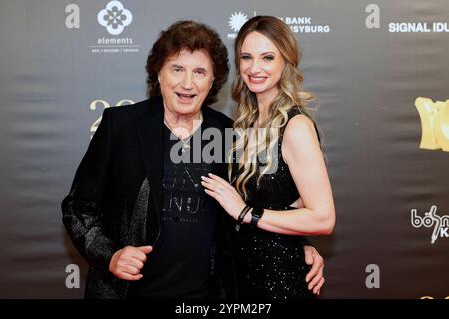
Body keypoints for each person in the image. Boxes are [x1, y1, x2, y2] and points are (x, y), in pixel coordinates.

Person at [62, 20, 325, 299]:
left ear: (213, 81)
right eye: (177, 69)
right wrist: (110, 255)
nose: (187, 83)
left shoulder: (229, 133)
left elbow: (248, 205)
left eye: (200, 72)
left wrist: (297, 245)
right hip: (129, 293)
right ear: (158, 73)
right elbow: (79, 208)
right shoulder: (122, 126)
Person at [202, 16, 335, 299]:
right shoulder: (245, 124)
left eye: (267, 57)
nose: (255, 68)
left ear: (285, 61)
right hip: (242, 277)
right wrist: (302, 242)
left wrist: (245, 212)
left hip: (279, 281)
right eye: (246, 57)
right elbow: (284, 204)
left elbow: (323, 218)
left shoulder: (295, 127)